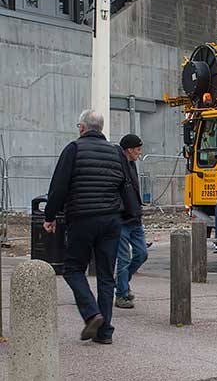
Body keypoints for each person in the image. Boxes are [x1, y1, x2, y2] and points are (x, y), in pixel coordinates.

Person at [44, 109, 126, 344]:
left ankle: (91, 313)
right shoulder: (115, 151)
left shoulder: (74, 149)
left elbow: (59, 187)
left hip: (83, 218)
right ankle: (105, 332)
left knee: (72, 268)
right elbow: (124, 183)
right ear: (100, 128)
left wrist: (50, 217)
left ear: (82, 128)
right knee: (105, 276)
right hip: (111, 220)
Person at [114, 134, 148, 309]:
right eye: (138, 149)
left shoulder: (132, 165)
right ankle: (121, 293)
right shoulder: (118, 165)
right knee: (124, 258)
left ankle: (121, 283)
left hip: (134, 218)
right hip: (122, 219)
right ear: (129, 150)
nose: (140, 153)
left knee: (142, 253)